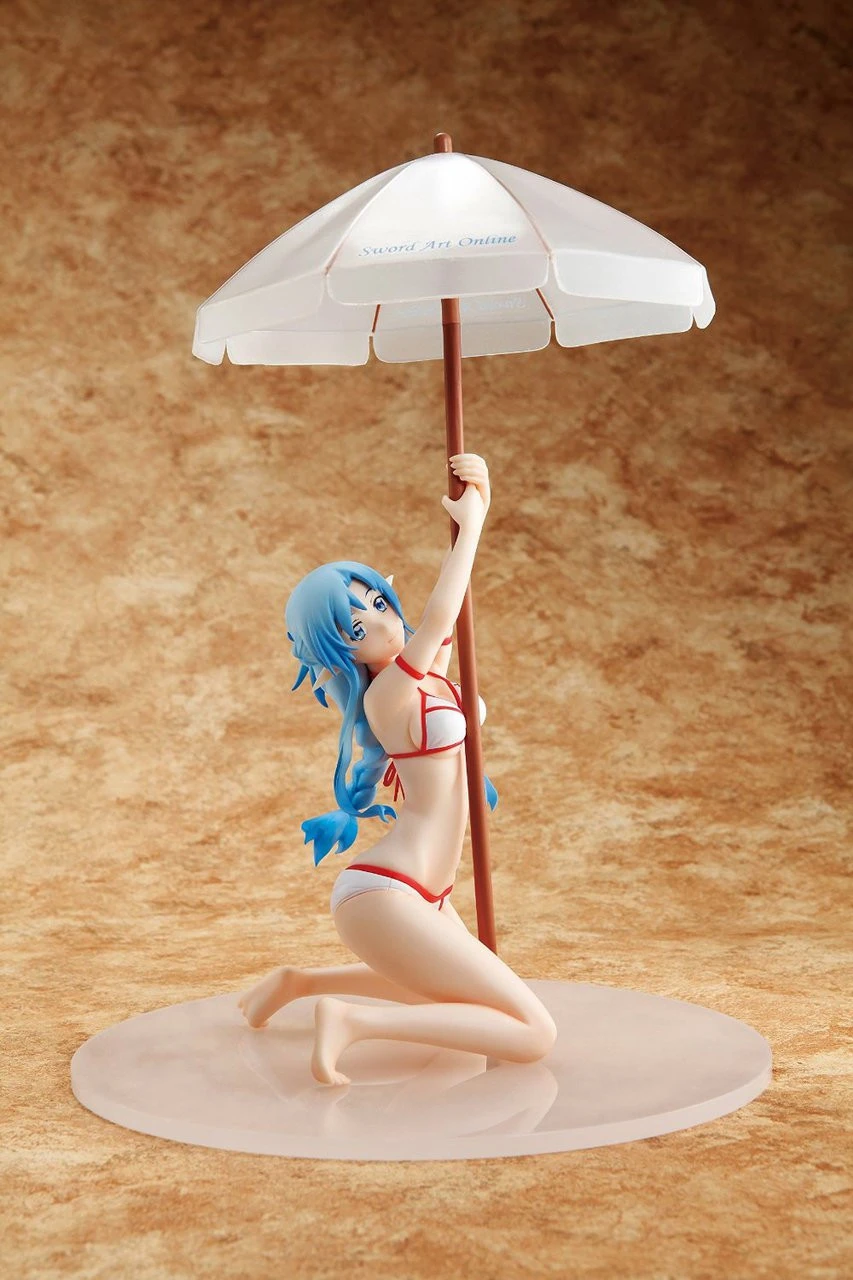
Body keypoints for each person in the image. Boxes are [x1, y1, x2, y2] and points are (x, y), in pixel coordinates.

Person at [238, 453, 557, 1085]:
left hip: (429, 893)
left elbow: (443, 621)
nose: (384, 622)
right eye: (358, 627)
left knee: (447, 994)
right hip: (386, 892)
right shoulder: (386, 697)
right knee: (534, 1033)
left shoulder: (425, 674)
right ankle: (352, 1022)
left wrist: (475, 515)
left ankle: (299, 983)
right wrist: (474, 523)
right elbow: (441, 614)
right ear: (340, 652)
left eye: (379, 601)